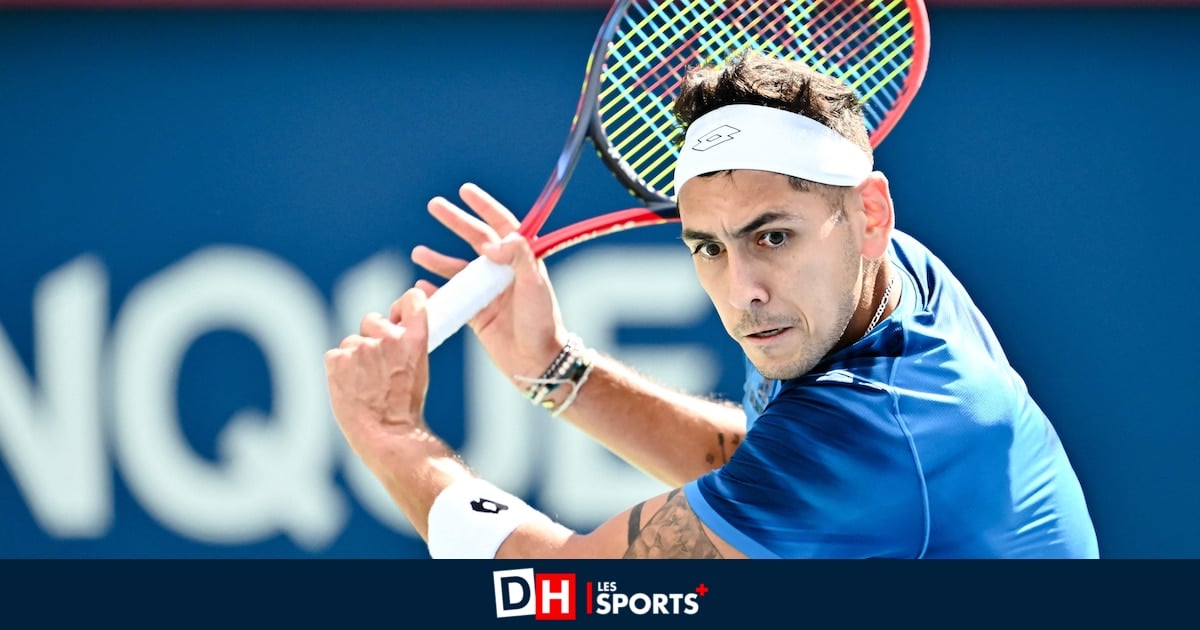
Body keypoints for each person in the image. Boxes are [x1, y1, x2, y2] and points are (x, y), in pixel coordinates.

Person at [324, 50, 1099, 559]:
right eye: (709, 247)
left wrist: (390, 440)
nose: (742, 292)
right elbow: (772, 464)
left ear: (869, 214)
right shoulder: (889, 283)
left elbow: (561, 588)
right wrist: (555, 368)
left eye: (771, 238)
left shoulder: (884, 431)